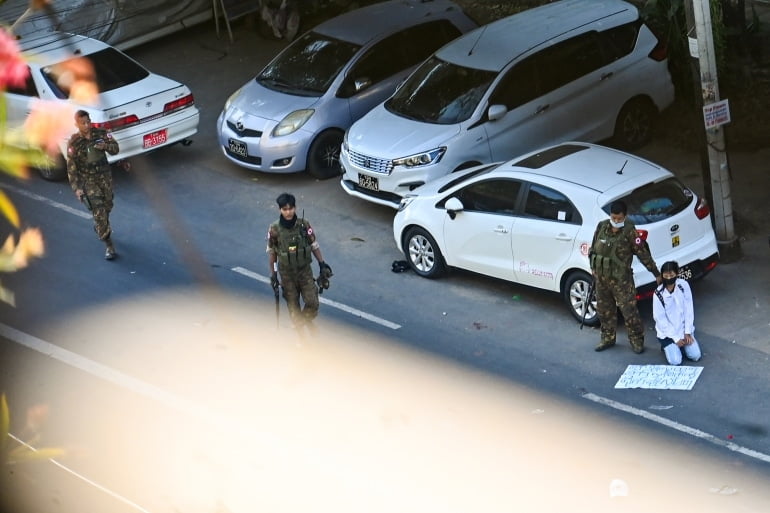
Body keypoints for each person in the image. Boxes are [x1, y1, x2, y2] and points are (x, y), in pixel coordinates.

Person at [590, 200, 662, 353]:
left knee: (629, 312)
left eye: (619, 218)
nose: (616, 221)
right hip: (602, 280)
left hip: (621, 282)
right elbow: (593, 249)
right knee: (604, 310)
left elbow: (643, 254)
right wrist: (593, 268)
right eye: (614, 217)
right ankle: (607, 338)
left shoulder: (630, 232)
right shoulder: (602, 226)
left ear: (625, 216)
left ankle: (637, 340)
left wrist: (656, 273)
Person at [267, 192, 332, 333]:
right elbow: (272, 253)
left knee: (313, 303)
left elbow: (314, 244)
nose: (288, 212)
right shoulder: (274, 229)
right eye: (285, 209)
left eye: (290, 208)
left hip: (304, 272)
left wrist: (322, 264)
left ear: (295, 208)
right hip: (286, 275)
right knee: (293, 307)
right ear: (280, 210)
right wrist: (273, 275)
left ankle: (302, 322)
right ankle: (301, 336)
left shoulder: (304, 225)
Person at [66, 110, 120, 260]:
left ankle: (100, 226)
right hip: (88, 181)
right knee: (99, 211)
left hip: (105, 177)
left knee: (108, 205)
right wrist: (77, 189)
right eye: (83, 123)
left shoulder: (101, 133)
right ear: (76, 124)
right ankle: (108, 244)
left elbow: (116, 149)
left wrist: (106, 147)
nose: (87, 125)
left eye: (88, 121)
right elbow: (71, 168)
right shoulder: (74, 142)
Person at [652, 261, 702, 365]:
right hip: (668, 334)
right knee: (675, 361)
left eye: (671, 275)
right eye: (666, 275)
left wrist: (687, 332)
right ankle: (668, 346)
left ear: (677, 274)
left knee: (695, 355)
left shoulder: (683, 285)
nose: (669, 278)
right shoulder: (658, 294)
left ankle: (681, 346)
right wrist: (675, 338)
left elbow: (689, 309)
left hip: (684, 330)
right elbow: (660, 319)